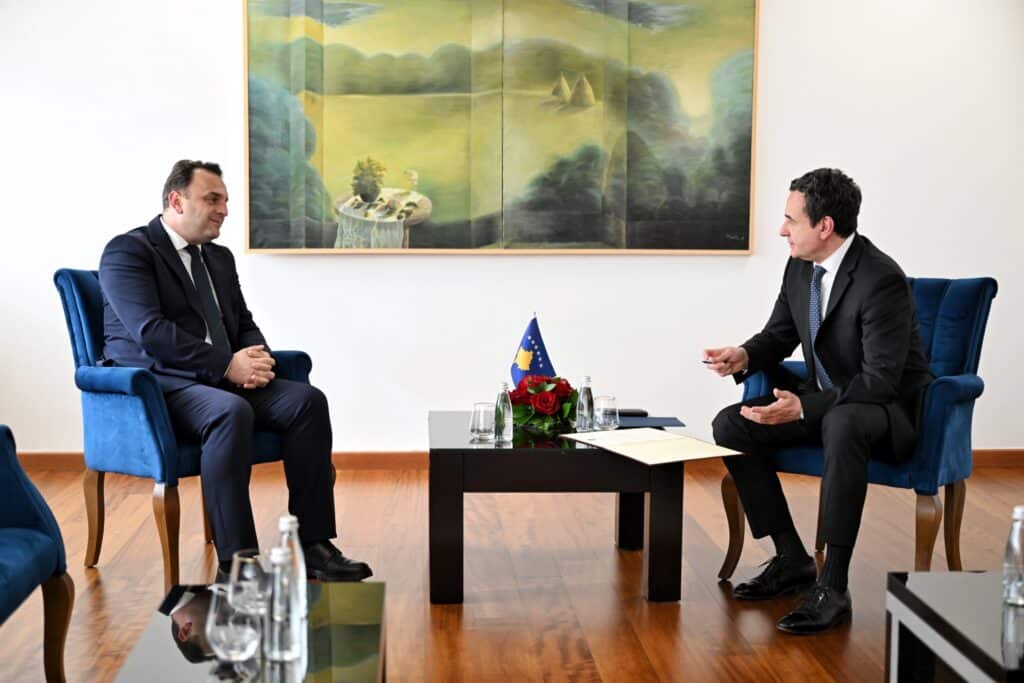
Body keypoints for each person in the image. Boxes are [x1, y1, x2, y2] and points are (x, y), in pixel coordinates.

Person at [99, 160, 372, 582]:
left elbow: (241, 322)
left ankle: (314, 545)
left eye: (225, 201)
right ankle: (238, 564)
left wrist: (256, 361)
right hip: (160, 384)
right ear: (176, 200)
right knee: (230, 411)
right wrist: (228, 365)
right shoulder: (128, 252)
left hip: (222, 378)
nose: (223, 210)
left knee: (307, 402)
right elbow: (151, 332)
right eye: (212, 199)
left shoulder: (219, 258)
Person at [704, 168, 933, 634]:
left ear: (825, 226)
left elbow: (880, 381)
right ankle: (791, 559)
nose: (781, 230)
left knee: (842, 422)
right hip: (828, 404)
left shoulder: (881, 279)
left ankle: (833, 586)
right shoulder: (800, 266)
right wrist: (744, 354)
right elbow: (779, 334)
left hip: (882, 411)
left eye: (791, 220)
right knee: (732, 424)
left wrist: (806, 407)